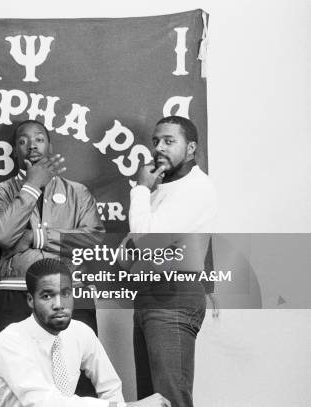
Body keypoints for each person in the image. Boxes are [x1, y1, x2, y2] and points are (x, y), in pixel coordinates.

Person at [0, 119, 105, 405]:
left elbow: (94, 240)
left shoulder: (78, 192)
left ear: (50, 146)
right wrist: (31, 186)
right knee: (9, 389)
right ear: (14, 151)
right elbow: (2, 235)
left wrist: (37, 237)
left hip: (67, 295)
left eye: (38, 139)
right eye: (23, 141)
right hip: (14, 293)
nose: (31, 146)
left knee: (75, 386)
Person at [0, 258, 171, 407]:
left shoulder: (81, 332)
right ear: (30, 300)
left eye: (66, 293)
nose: (59, 304)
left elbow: (110, 386)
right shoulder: (10, 341)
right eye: (47, 296)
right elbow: (44, 402)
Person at [126, 115, 217, 407]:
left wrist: (140, 188)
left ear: (191, 148)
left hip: (173, 296)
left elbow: (145, 240)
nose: (159, 147)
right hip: (149, 295)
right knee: (152, 401)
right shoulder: (162, 189)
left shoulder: (195, 187)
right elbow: (127, 251)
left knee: (170, 398)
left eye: (169, 141)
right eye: (156, 141)